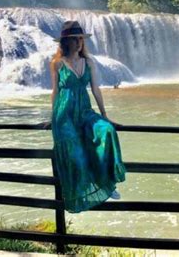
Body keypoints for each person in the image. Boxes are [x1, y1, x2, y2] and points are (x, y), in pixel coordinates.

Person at [49, 20, 126, 213]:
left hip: (84, 111)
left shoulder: (88, 61)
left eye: (80, 38)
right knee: (76, 155)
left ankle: (108, 183)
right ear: (67, 42)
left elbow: (96, 89)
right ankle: (82, 194)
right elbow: (55, 92)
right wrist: (52, 118)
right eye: (76, 38)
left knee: (106, 131)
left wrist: (104, 115)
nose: (79, 42)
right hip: (64, 114)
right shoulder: (56, 63)